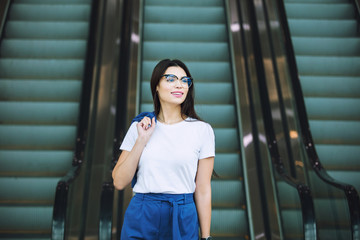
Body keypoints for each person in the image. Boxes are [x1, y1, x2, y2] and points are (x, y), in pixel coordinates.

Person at [112, 59, 215, 240]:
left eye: (185, 80)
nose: (179, 85)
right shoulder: (140, 126)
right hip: (143, 211)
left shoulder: (202, 130)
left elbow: (203, 188)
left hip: (183, 213)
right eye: (171, 79)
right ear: (156, 86)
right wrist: (141, 141)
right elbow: (119, 182)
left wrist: (206, 237)